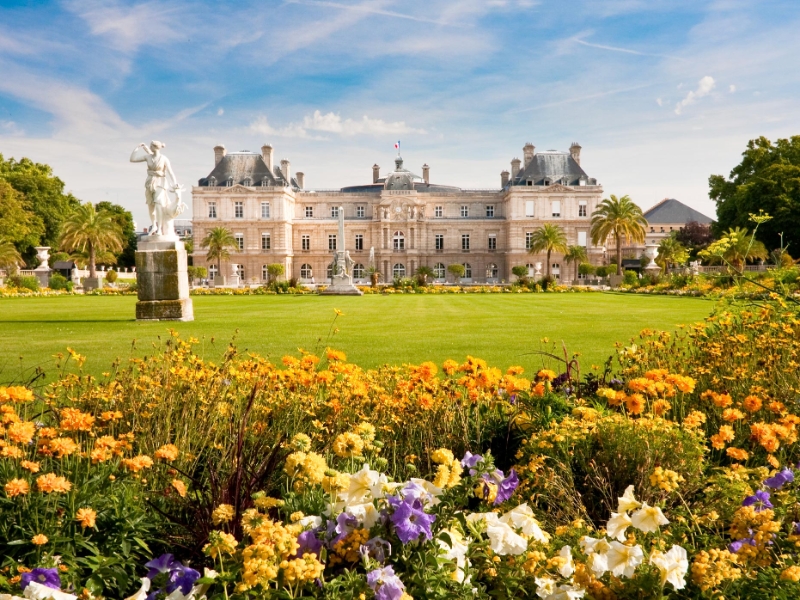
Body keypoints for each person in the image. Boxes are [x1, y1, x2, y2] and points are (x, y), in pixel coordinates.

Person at [130, 141, 179, 235]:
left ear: (154, 147)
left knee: (158, 204)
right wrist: (137, 148)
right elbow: (132, 159)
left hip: (160, 182)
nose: (149, 147)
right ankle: (154, 226)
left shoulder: (164, 159)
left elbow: (170, 172)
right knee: (150, 206)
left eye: (150, 146)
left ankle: (159, 229)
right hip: (150, 182)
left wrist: (175, 183)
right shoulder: (148, 157)